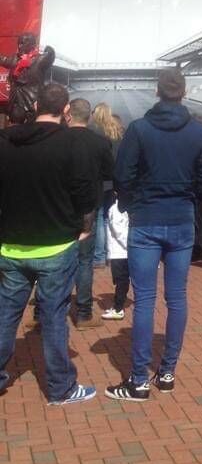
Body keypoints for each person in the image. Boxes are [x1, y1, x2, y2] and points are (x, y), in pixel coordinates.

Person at [106, 67, 202, 401]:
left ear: (157, 91)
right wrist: (190, 200)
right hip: (181, 219)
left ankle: (138, 379)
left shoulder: (139, 129)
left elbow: (122, 175)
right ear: (183, 92)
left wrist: (131, 205)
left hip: (147, 218)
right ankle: (167, 371)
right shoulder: (199, 132)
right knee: (177, 297)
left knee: (144, 300)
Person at [0, 82, 97, 405]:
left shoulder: (7, 142)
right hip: (56, 245)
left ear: (36, 106)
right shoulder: (72, 143)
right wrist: (83, 227)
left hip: (12, 246)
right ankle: (60, 388)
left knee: (6, 314)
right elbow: (85, 191)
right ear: (66, 111)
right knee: (55, 317)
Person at [66, 98, 114, 328]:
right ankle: (84, 312)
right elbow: (109, 172)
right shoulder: (100, 142)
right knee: (85, 260)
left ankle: (47, 310)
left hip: (61, 208)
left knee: (58, 260)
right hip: (88, 209)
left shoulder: (57, 140)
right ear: (89, 117)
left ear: (69, 115)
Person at [91, 102, 125, 266]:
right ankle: (109, 252)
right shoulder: (117, 132)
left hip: (99, 181)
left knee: (98, 217)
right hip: (113, 181)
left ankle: (99, 255)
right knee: (107, 218)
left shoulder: (96, 133)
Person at [0, 34, 55, 125]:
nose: (19, 46)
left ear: (32, 44)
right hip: (15, 102)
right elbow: (3, 59)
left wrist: (46, 47)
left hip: (32, 102)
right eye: (19, 43)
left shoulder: (40, 60)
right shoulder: (15, 59)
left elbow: (50, 54)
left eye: (23, 43)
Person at [102, 199, 130, 320]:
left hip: (120, 252)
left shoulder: (116, 208)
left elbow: (119, 232)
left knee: (121, 280)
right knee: (122, 280)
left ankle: (118, 309)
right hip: (122, 251)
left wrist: (130, 245)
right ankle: (118, 306)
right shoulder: (123, 207)